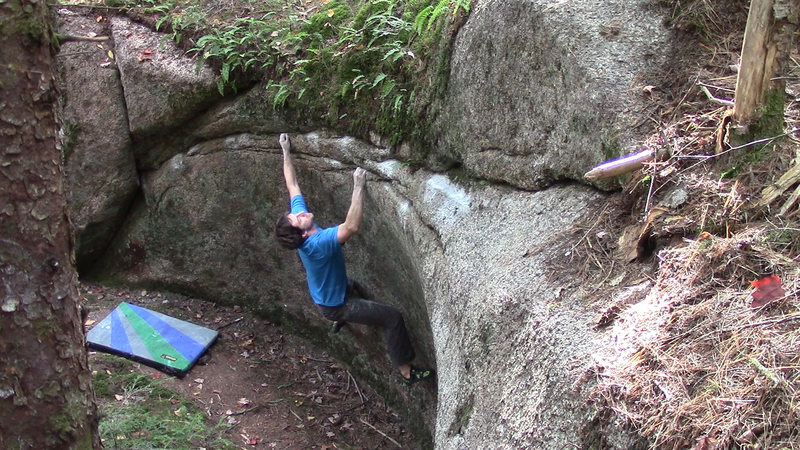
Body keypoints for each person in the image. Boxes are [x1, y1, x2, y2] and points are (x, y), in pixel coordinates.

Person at [274, 133, 433, 386]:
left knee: (353, 285)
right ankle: (406, 372)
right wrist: (358, 187)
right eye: (297, 218)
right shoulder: (318, 244)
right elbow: (351, 227)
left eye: (296, 214)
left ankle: (340, 320)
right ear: (302, 232)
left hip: (328, 293)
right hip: (336, 304)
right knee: (392, 318)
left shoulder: (305, 228)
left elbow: (292, 185)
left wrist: (285, 151)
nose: (300, 212)